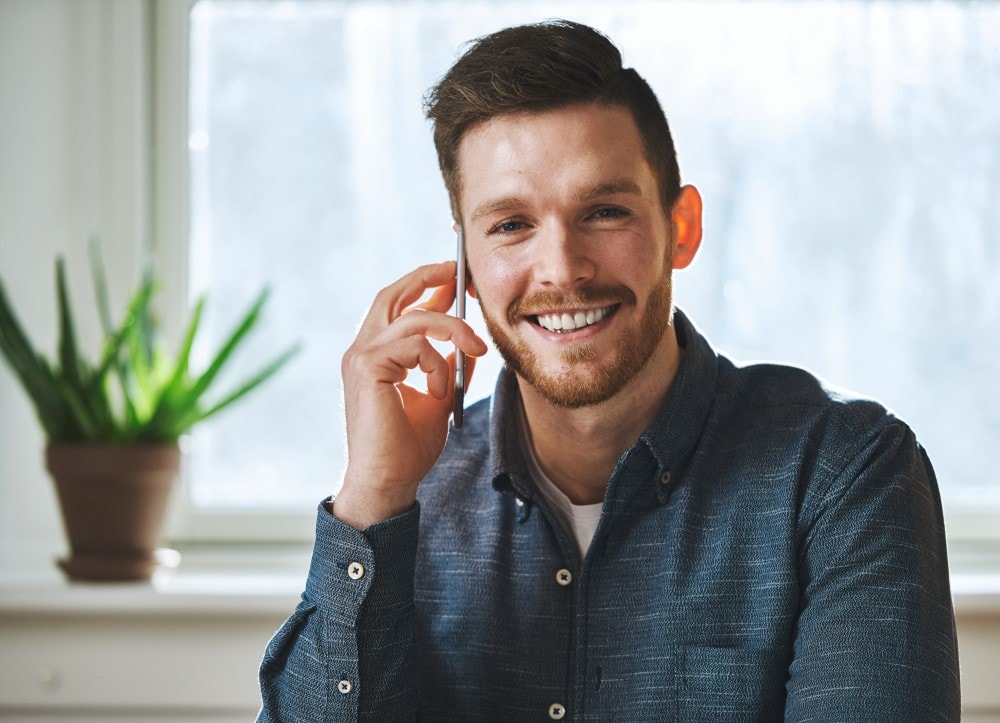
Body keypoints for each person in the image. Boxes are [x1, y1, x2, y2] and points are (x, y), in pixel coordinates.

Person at [257, 20, 960, 722]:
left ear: (680, 228)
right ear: (466, 261)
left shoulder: (845, 473)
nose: (562, 268)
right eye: (510, 225)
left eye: (604, 211)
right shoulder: (408, 496)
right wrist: (373, 495)